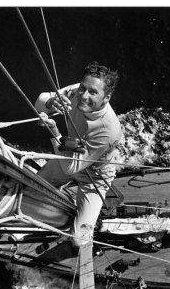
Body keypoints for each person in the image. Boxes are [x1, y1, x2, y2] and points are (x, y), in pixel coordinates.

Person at [35, 61, 123, 249]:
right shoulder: (76, 91)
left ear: (106, 98)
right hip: (68, 153)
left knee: (79, 240)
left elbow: (70, 168)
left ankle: (91, 220)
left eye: (93, 92)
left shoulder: (109, 129)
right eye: (83, 88)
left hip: (94, 177)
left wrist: (53, 131)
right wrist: (50, 102)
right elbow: (40, 101)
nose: (83, 96)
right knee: (31, 188)